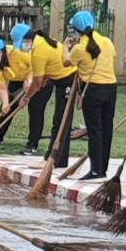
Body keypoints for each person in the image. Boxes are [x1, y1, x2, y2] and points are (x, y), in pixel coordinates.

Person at [68, 11, 117, 180]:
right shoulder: (107, 42)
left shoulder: (79, 48)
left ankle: (95, 170)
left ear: (76, 30)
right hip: (111, 88)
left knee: (94, 130)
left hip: (93, 90)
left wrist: (66, 47)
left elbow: (66, 63)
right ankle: (102, 168)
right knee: (106, 129)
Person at [18, 27, 78, 163]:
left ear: (28, 40)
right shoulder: (44, 42)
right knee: (60, 119)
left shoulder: (38, 49)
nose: (23, 46)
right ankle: (54, 157)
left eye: (24, 42)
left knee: (61, 120)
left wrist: (26, 97)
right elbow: (45, 71)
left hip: (69, 80)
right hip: (59, 80)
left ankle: (56, 158)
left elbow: (37, 81)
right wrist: (43, 80)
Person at [0, 26, 33, 147]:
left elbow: (35, 64)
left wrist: (29, 79)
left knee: (35, 110)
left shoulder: (18, 52)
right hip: (16, 81)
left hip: (36, 78)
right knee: (5, 109)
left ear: (2, 51)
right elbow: (1, 87)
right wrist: (5, 103)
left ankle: (32, 143)